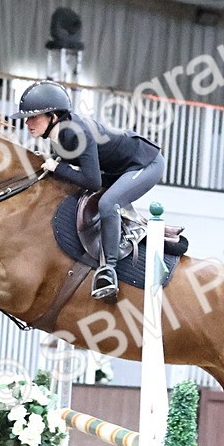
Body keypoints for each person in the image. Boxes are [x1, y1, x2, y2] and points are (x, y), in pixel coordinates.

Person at [12, 80, 164, 301]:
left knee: (107, 203)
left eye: (33, 117)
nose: (27, 123)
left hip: (145, 163)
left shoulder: (77, 133)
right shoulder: (60, 134)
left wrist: (59, 167)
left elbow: (92, 181)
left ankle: (108, 270)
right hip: (118, 168)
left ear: (53, 116)